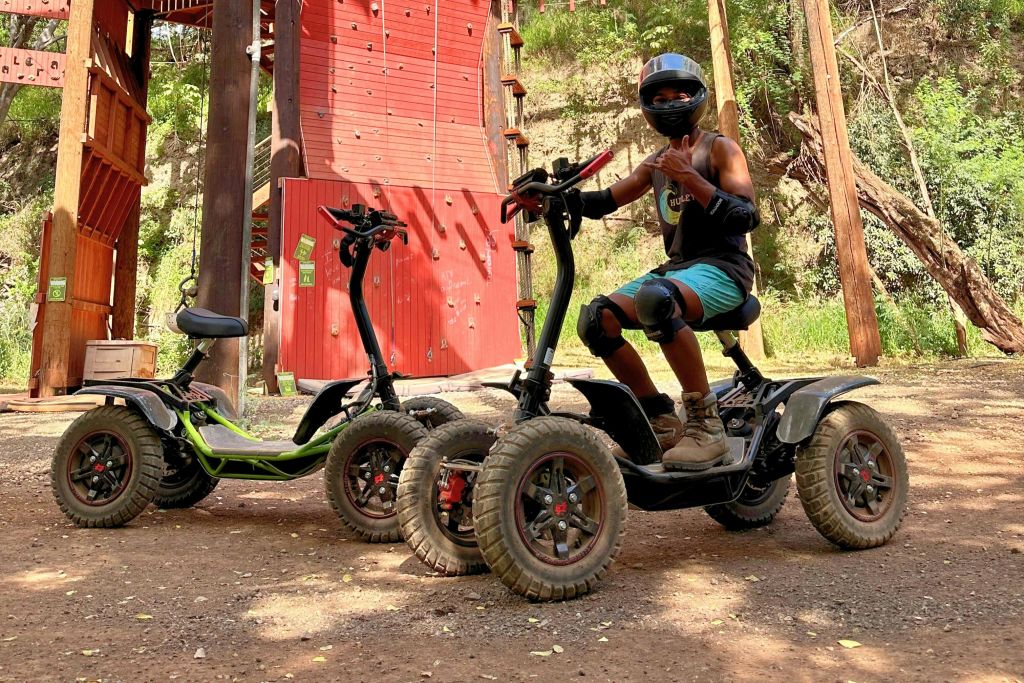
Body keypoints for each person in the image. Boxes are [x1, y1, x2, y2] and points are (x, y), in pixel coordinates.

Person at [573, 53, 760, 471]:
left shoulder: (720, 149)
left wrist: (689, 176)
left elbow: (747, 216)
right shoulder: (656, 162)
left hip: (726, 269)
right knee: (597, 320)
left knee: (657, 300)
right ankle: (660, 421)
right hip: (679, 271)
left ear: (697, 97)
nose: (670, 103)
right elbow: (604, 201)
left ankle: (706, 428)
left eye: (679, 95)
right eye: (659, 98)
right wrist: (555, 199)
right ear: (647, 106)